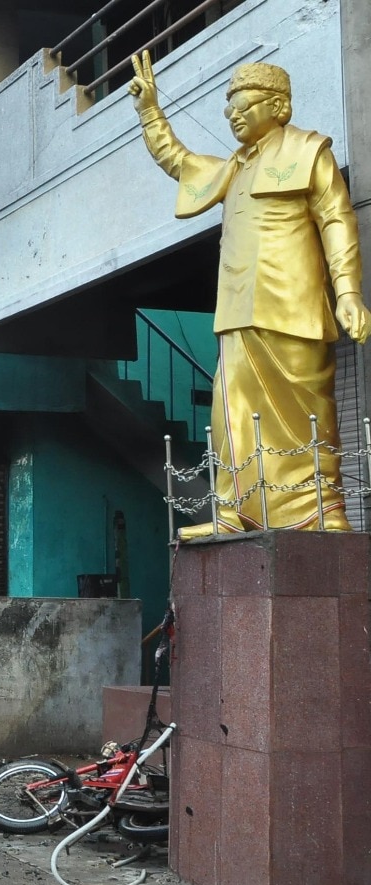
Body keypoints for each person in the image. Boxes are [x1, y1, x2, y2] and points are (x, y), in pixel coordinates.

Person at [129, 54, 371, 535]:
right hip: (238, 311)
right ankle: (232, 514)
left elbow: (337, 220)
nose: (232, 114)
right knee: (231, 415)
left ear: (278, 106)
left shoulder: (309, 151)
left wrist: (347, 292)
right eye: (228, 107)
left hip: (293, 307)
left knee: (307, 413)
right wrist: (150, 111)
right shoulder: (232, 169)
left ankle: (321, 513)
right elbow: (177, 160)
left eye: (243, 104)